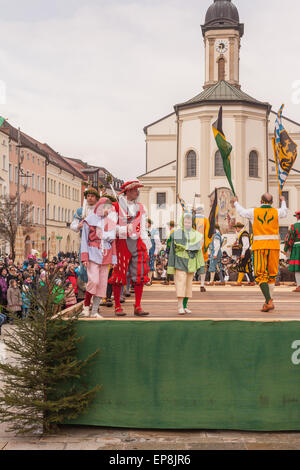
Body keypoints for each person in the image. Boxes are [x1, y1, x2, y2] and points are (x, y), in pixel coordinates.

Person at [232, 193, 287, 312]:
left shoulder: (254, 211)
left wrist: (236, 202)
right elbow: (284, 211)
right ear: (271, 202)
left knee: (260, 274)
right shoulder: (277, 212)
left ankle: (269, 301)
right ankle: (269, 301)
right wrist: (283, 200)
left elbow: (241, 212)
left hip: (260, 246)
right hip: (274, 246)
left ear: (261, 201)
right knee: (272, 275)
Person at [109, 180, 151, 316]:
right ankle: (117, 306)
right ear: (127, 191)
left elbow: (143, 227)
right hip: (122, 243)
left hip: (137, 242)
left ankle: (137, 305)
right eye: (134, 190)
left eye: (137, 190)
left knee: (140, 273)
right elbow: (109, 228)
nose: (137, 192)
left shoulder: (140, 207)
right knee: (119, 275)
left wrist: (146, 244)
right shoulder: (115, 207)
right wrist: (123, 228)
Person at [81, 198, 117, 318]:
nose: (108, 210)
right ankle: (86, 306)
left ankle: (94, 311)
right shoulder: (89, 220)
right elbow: (84, 240)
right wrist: (84, 257)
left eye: (109, 208)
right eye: (105, 207)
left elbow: (113, 242)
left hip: (106, 255)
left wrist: (114, 259)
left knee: (102, 285)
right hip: (92, 254)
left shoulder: (110, 223)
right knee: (93, 281)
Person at [167, 210, 204, 315]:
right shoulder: (177, 234)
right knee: (180, 283)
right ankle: (179, 306)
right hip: (180, 262)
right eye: (186, 222)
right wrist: (171, 265)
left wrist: (200, 266)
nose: (187, 224)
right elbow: (172, 251)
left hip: (191, 262)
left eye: (189, 222)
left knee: (188, 285)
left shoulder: (196, 234)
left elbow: (199, 252)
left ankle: (185, 305)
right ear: (182, 222)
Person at [71, 186, 100, 314]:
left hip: (98, 246)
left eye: (92, 196)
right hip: (85, 245)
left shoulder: (100, 211)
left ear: (97, 198)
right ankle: (88, 301)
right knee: (86, 273)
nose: (90, 198)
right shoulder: (81, 211)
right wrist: (79, 225)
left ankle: (94, 302)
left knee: (97, 276)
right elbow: (73, 224)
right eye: (88, 196)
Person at [284, 210, 300, 292]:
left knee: (297, 268)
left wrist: (286, 249)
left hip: (297, 248)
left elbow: (289, 239)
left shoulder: (294, 226)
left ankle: (299, 286)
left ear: (297, 217)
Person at [147, 219, 161, 285]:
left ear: (150, 224)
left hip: (151, 250)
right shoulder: (143, 230)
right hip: (144, 250)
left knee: (150, 265)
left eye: (147, 223)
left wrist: (156, 251)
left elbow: (157, 242)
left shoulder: (154, 231)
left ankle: (149, 280)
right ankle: (146, 279)